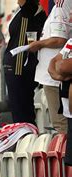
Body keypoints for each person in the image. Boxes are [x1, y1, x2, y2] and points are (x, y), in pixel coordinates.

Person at [30, 0, 72, 133]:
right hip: (53, 73)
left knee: (61, 124)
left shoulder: (61, 5)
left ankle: (66, 152)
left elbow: (60, 39)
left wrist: (38, 44)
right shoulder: (58, 6)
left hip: (56, 77)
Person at [4, 0, 47, 124]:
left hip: (20, 67)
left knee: (22, 114)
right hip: (15, 66)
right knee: (20, 112)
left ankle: (26, 138)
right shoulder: (24, 11)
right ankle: (24, 139)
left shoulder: (30, 9)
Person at [49, 38, 72, 167]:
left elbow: (61, 66)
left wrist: (60, 67)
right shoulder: (71, 41)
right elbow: (53, 62)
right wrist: (59, 75)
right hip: (68, 110)